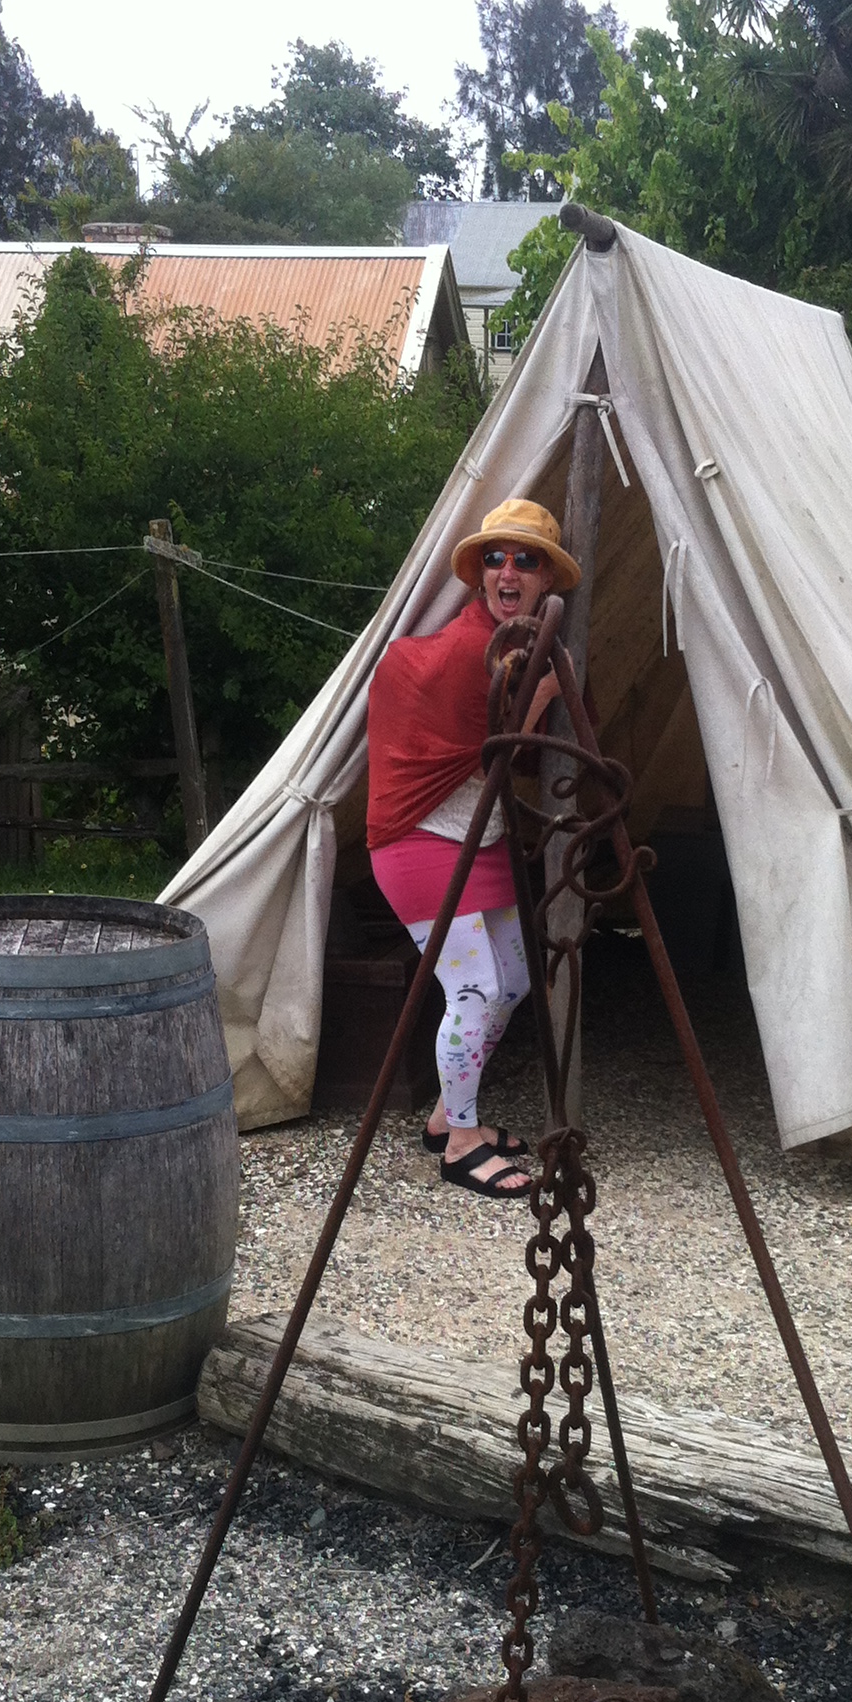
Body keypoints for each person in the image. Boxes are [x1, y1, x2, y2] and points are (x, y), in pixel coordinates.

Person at [364, 496, 577, 1198]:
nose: (508, 571)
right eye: (495, 558)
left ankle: (444, 1117)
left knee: (515, 982)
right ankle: (460, 1143)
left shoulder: (515, 645)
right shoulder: (470, 649)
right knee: (476, 988)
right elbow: (495, 749)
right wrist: (540, 696)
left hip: (480, 841)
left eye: (526, 559)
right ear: (479, 573)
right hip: (419, 840)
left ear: (547, 578)